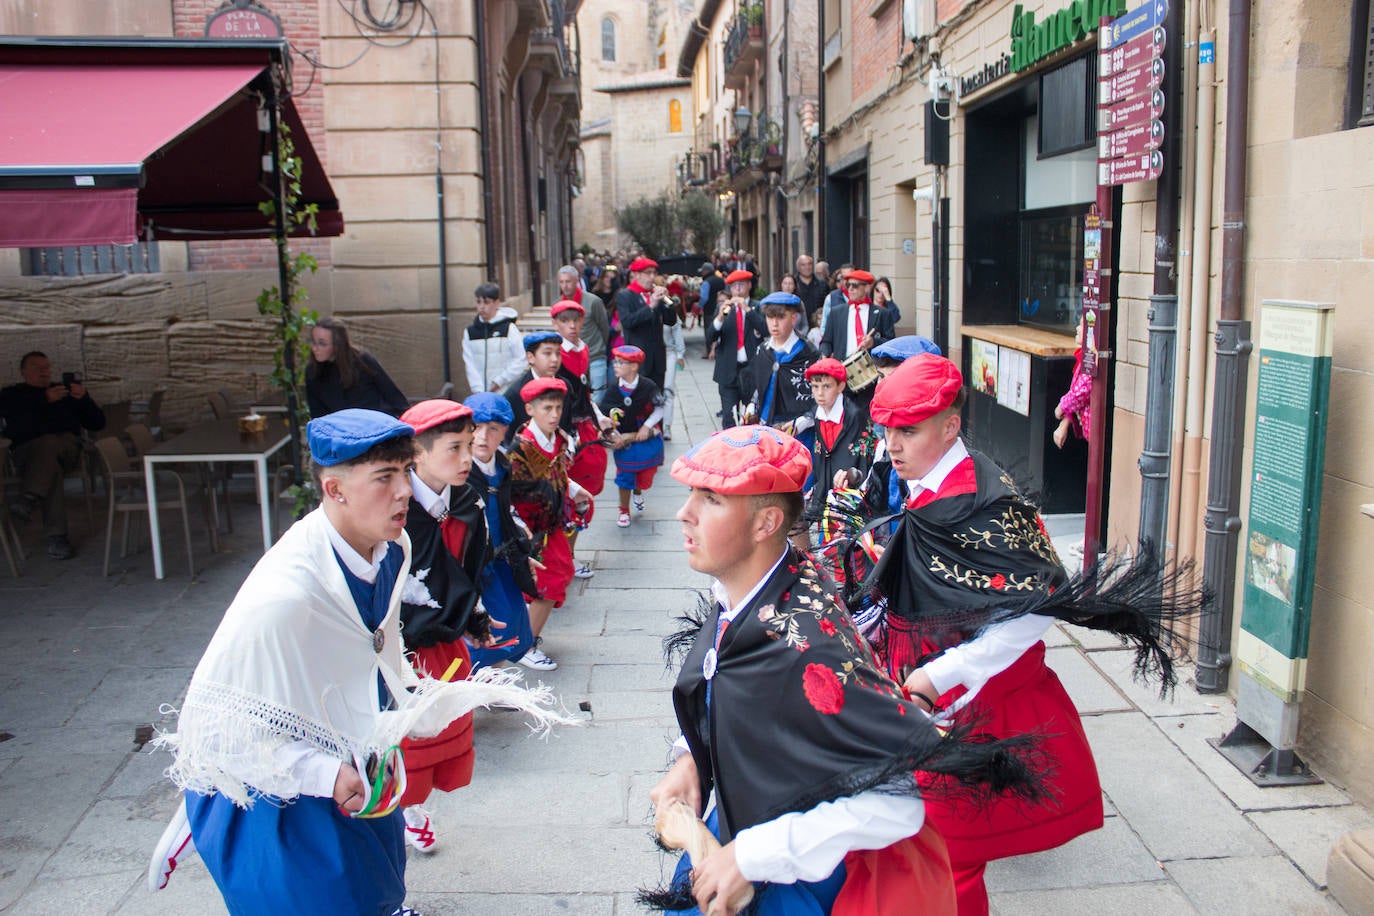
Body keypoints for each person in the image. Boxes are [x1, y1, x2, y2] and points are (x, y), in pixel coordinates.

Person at [149, 408, 566, 914]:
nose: (404, 492)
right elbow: (220, 732)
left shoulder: (394, 549)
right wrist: (324, 775)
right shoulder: (286, 596)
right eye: (384, 478)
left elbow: (378, 649)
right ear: (334, 490)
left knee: (378, 884)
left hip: (355, 763)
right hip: (278, 796)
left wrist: (408, 708)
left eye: (406, 473)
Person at [644, 425, 1046, 916]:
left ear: (766, 522)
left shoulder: (810, 650)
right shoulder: (750, 590)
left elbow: (901, 800)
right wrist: (693, 758)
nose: (684, 513)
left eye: (710, 500)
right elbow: (736, 689)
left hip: (787, 888)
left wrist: (751, 857)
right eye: (692, 495)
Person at [865, 354, 1186, 915]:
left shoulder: (986, 503)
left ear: (949, 426)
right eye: (888, 429)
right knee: (924, 847)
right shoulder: (933, 483)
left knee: (950, 856)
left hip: (965, 701)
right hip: (931, 691)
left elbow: (1035, 611)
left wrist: (940, 675)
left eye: (908, 430)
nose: (892, 444)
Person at [394, 399, 501, 854]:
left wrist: (474, 617)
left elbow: (467, 566)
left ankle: (408, 805)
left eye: (468, 446)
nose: (466, 458)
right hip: (397, 647)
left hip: (444, 639)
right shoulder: (394, 508)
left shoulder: (467, 499)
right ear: (416, 453)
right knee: (402, 741)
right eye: (453, 448)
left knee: (440, 735)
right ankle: (400, 809)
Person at [507, 377, 589, 671]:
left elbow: (560, 475)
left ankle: (527, 630)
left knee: (558, 575)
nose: (554, 414)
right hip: (530, 529)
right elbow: (509, 494)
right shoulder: (519, 450)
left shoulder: (558, 439)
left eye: (558, 407)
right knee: (551, 583)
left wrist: (574, 489)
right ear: (529, 409)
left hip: (552, 523)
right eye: (547, 408)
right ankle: (525, 645)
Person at [0, 351, 105, 559]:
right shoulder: (12, 395)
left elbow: (98, 423)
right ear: (23, 371)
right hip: (28, 455)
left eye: (46, 367)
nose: (43, 371)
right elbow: (11, 417)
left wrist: (84, 399)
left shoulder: (64, 393)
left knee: (52, 444)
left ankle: (31, 499)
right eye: (37, 367)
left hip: (68, 451)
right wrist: (43, 399)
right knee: (50, 466)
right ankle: (55, 536)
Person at [464, 393, 540, 670]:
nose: (483, 437)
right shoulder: (460, 471)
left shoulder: (503, 465)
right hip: (474, 565)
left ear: (504, 431)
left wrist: (520, 548)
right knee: (487, 628)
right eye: (476, 427)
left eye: (493, 429)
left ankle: (494, 680)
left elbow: (505, 512)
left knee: (514, 625)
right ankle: (474, 685)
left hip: (501, 557)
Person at [550, 301, 612, 581]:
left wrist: (599, 417)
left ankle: (568, 556)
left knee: (583, 492)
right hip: (559, 430)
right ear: (556, 324)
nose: (572, 326)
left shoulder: (583, 349)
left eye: (576, 320)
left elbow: (584, 392)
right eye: (565, 321)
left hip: (581, 427)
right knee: (562, 497)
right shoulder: (553, 355)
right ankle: (562, 558)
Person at [803, 357, 877, 522]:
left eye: (827, 386)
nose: (820, 393)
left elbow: (860, 457)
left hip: (848, 491)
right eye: (815, 387)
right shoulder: (817, 412)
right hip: (825, 486)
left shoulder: (854, 416)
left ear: (841, 386)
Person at [599, 345, 665, 528]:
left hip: (644, 436)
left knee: (644, 475)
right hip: (623, 439)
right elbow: (604, 410)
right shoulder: (613, 387)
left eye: (621, 362)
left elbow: (660, 408)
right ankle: (624, 510)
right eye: (616, 361)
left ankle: (638, 491)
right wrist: (612, 430)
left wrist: (647, 426)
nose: (615, 365)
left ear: (634, 366)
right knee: (625, 475)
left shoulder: (649, 386)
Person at [740, 292, 818, 440]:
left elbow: (821, 395)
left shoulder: (808, 353)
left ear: (794, 318)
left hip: (797, 430)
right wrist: (752, 406)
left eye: (781, 317)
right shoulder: (762, 350)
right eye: (770, 317)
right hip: (765, 427)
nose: (774, 324)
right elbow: (760, 385)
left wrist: (805, 420)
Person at [306, 317, 410, 418]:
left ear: (338, 344)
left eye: (322, 343)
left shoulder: (362, 361)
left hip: (378, 425)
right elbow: (318, 416)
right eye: (313, 342)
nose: (315, 348)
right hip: (343, 431)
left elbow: (396, 399)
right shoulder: (312, 372)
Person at [612, 257, 679, 390]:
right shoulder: (625, 295)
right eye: (648, 273)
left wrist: (667, 302)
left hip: (657, 359)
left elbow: (671, 321)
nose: (652, 277)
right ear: (637, 275)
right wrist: (650, 306)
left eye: (654, 273)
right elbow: (627, 322)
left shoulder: (654, 295)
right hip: (637, 360)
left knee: (658, 399)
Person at [711, 269, 767, 427]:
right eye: (734, 286)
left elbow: (765, 330)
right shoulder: (723, 308)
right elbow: (710, 337)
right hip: (728, 370)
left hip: (752, 369)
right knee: (729, 418)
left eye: (742, 284)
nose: (738, 289)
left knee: (753, 416)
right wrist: (720, 317)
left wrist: (747, 310)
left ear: (749, 285)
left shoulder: (758, 307)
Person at [461, 282, 528, 396]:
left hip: (506, 390)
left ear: (496, 303)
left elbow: (521, 359)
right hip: (480, 393)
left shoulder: (508, 328)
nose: (482, 307)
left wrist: (500, 381)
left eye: (486, 302)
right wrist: (478, 389)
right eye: (479, 302)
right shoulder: (470, 332)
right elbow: (469, 363)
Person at [558, 265, 611, 399]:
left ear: (577, 281)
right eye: (561, 282)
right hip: (570, 359)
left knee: (597, 398)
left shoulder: (593, 301)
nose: (565, 286)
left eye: (568, 281)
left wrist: (599, 347)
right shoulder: (558, 305)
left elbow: (604, 328)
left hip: (594, 357)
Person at [819, 269, 896, 360]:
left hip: (871, 365)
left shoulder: (882, 313)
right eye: (848, 285)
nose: (850, 289)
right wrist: (824, 354)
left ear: (867, 287)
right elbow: (826, 342)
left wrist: (873, 342)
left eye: (855, 285)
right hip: (843, 365)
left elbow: (891, 343)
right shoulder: (836, 313)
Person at [1054, 314, 1092, 450]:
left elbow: (1081, 392)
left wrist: (1062, 407)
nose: (1077, 328)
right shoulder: (1085, 357)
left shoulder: (1091, 360)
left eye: (1082, 325)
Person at [698, 261, 726, 358]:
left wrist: (699, 306)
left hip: (709, 310)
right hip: (722, 310)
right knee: (722, 329)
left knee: (710, 331)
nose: (701, 273)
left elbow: (704, 298)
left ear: (706, 271)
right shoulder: (722, 280)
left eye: (702, 271)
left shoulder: (706, 282)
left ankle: (709, 351)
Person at [793, 255, 829, 322]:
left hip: (818, 324)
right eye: (803, 265)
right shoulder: (793, 284)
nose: (807, 267)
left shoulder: (823, 284)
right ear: (798, 267)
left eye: (809, 264)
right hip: (799, 325)